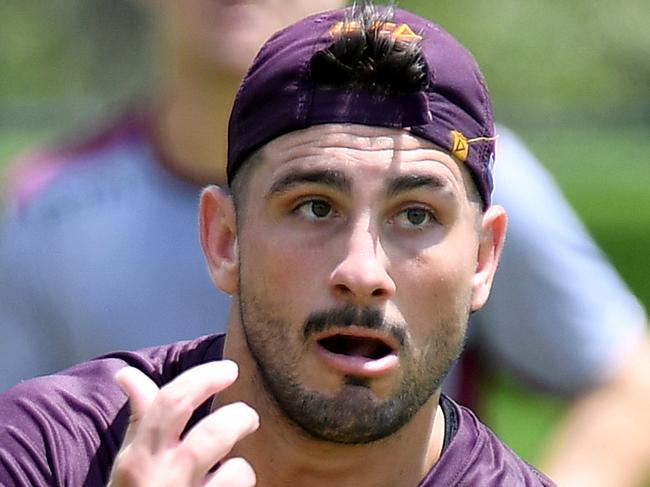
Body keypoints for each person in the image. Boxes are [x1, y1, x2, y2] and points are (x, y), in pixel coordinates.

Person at [1, 0, 649, 485]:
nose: (362, 270)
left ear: (483, 258)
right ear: (224, 238)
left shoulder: (500, 166)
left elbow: (628, 379)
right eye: (315, 206)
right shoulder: (39, 450)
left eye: (417, 215)